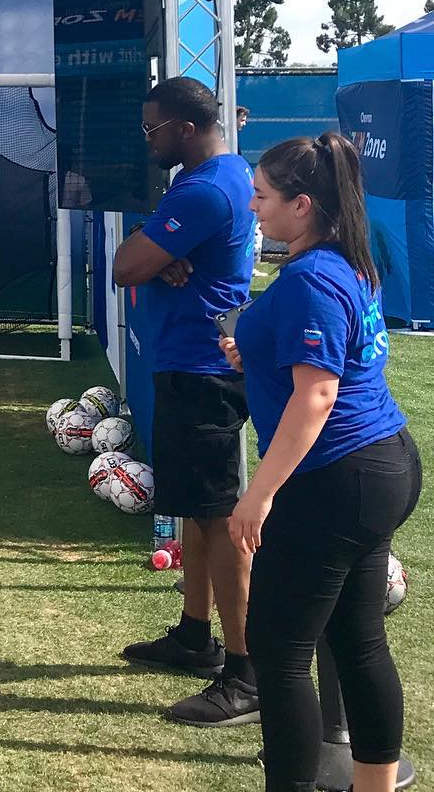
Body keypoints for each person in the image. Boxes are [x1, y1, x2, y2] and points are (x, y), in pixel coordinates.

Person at [225, 135, 421, 792]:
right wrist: (256, 351)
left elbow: (318, 394)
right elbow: (332, 359)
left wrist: (258, 494)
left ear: (302, 205)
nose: (252, 207)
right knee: (358, 642)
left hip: (339, 478)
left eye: (261, 196)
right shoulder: (346, 260)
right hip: (378, 468)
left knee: (279, 652)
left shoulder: (313, 277)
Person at [112, 76, 259, 726]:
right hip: (195, 363)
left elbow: (125, 265)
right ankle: (195, 636)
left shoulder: (202, 190)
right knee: (199, 513)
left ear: (186, 129)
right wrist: (161, 252)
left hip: (203, 370)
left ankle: (247, 672)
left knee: (220, 519)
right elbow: (146, 256)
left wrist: (152, 253)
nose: (148, 140)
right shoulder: (223, 175)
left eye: (154, 130)